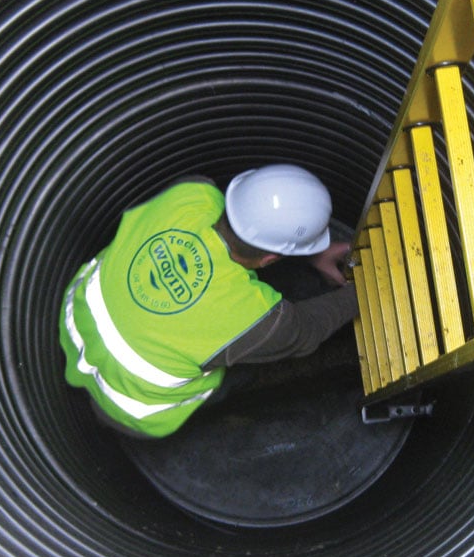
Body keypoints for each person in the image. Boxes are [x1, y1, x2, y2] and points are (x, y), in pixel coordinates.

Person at [59, 164, 358, 438]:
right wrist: (365, 288)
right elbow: (307, 329)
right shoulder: (257, 320)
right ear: (271, 259)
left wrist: (314, 252)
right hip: (129, 411)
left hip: (75, 329)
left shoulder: (192, 192)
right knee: (242, 367)